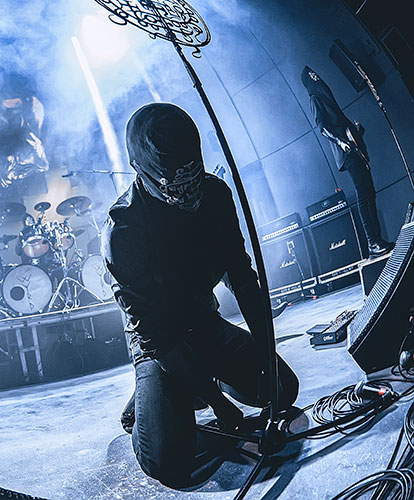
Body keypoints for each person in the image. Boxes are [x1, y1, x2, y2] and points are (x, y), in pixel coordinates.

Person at [102, 103, 299, 488]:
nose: (190, 194)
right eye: (175, 185)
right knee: (167, 460)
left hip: (204, 323)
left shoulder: (216, 195)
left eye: (193, 176)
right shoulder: (123, 231)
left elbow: (242, 278)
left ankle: (194, 385)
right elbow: (156, 336)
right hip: (159, 345)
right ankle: (148, 403)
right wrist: (220, 406)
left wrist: (266, 354)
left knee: (282, 389)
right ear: (142, 171)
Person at [301, 66, 394, 257]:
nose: (316, 76)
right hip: (347, 153)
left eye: (315, 73)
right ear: (309, 81)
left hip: (353, 149)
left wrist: (356, 133)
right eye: (312, 75)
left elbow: (340, 125)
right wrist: (342, 143)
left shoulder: (327, 98)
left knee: (370, 193)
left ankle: (378, 239)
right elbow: (323, 128)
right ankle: (372, 241)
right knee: (363, 194)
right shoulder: (315, 99)